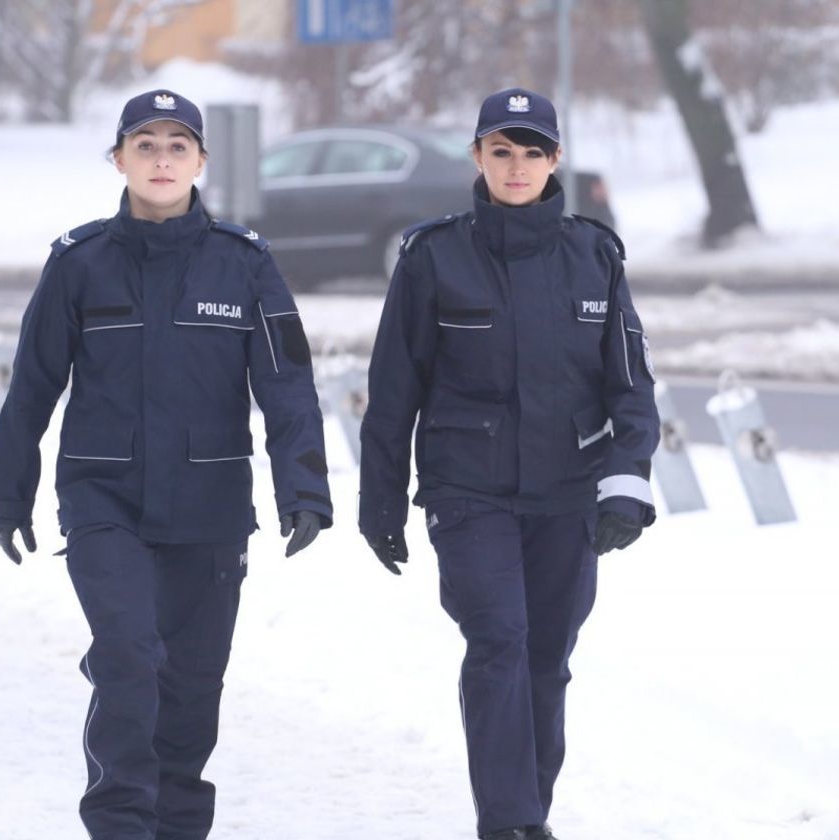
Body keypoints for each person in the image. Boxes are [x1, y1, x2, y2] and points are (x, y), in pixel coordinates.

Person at [0, 89, 333, 840]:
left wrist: (304, 487)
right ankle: (118, 824)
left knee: (191, 689)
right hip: (104, 501)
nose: (163, 159)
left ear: (202, 161)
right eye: (146, 145)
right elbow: (33, 386)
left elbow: (288, 386)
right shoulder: (79, 264)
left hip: (210, 510)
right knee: (129, 656)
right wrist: (7, 494)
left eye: (178, 146)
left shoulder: (245, 265)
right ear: (118, 160)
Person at [359, 88, 660, 840]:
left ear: (555, 159)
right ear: (478, 157)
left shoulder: (595, 257)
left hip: (567, 495)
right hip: (469, 494)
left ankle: (529, 812)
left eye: (532, 152)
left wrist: (626, 485)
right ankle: (512, 824)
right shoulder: (433, 257)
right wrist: (381, 502)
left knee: (546, 660)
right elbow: (394, 390)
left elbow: (632, 388)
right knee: (498, 641)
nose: (517, 167)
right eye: (502, 151)